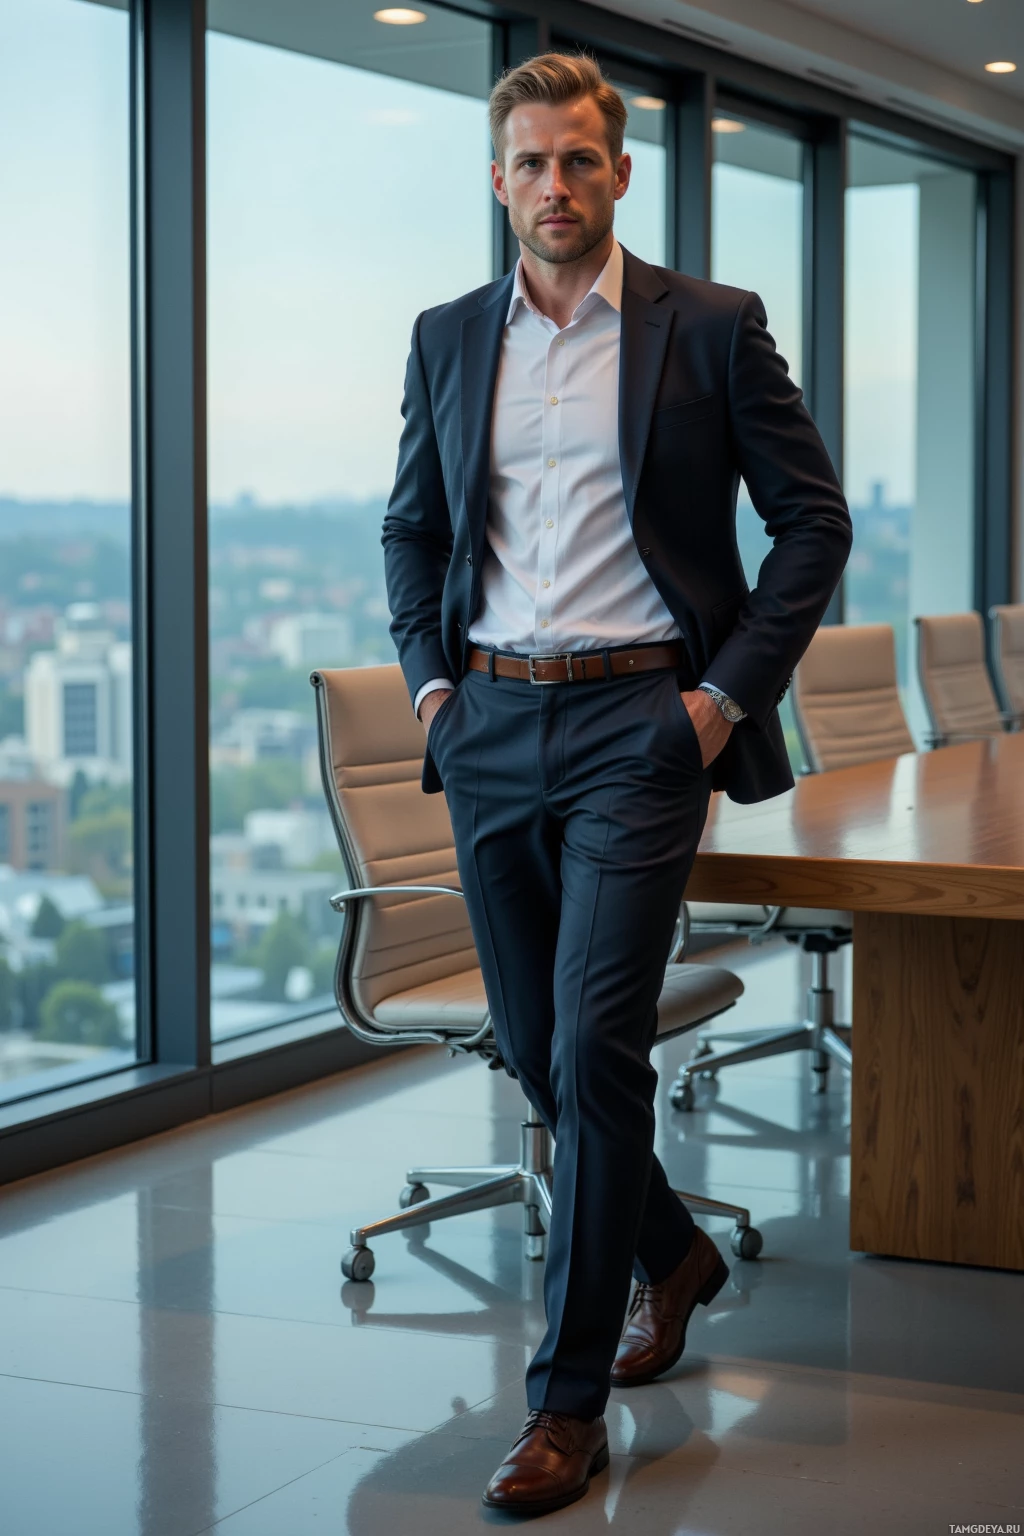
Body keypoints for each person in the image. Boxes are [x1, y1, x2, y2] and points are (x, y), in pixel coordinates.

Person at [383, 52, 851, 1518]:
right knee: (536, 1045)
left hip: (643, 728)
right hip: (488, 726)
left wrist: (718, 703)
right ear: (498, 178)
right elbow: (413, 529)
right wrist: (435, 692)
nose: (555, 185)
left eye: (579, 159)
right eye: (530, 161)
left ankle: (564, 1405)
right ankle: (675, 1250)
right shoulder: (448, 337)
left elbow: (812, 525)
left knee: (593, 1042)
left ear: (620, 174)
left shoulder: (708, 326)